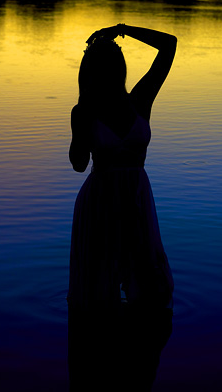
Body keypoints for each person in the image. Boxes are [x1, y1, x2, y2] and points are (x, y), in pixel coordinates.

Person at [68, 24, 177, 391]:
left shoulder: (140, 99)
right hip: (99, 204)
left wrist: (124, 28)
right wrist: (82, 114)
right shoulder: (86, 111)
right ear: (120, 68)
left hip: (134, 198)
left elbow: (169, 45)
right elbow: (80, 163)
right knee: (100, 294)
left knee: (148, 287)